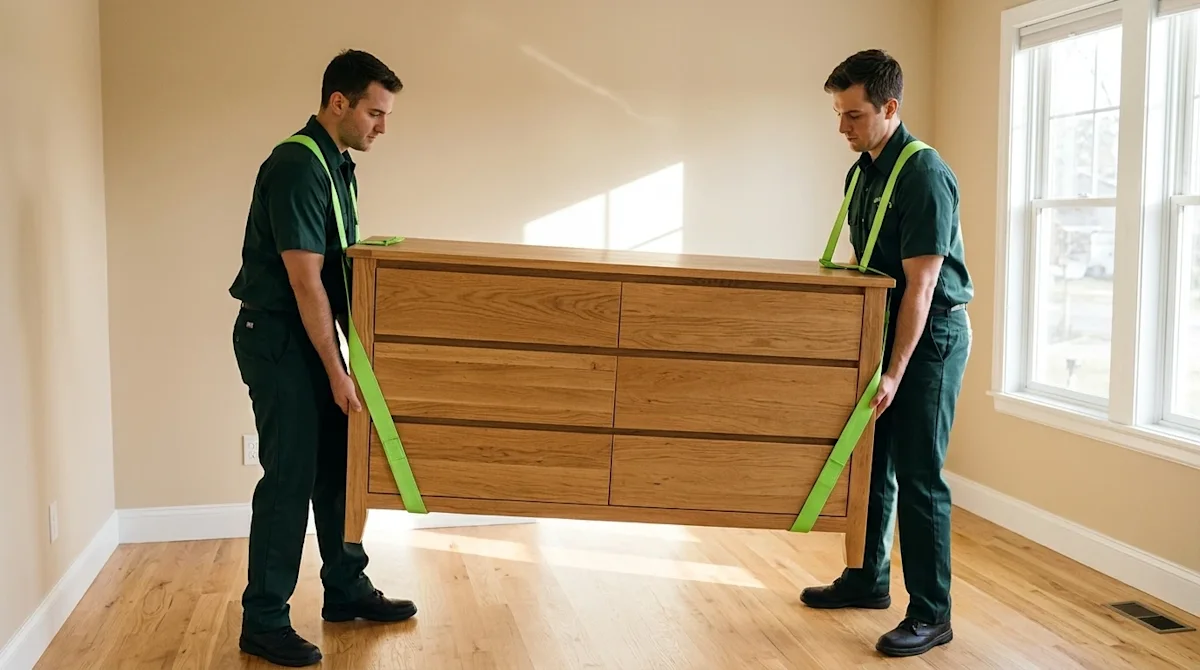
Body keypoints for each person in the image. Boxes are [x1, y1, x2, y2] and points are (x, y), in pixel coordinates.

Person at [228, 49, 416, 667]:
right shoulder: (296, 166)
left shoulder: (337, 163)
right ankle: (264, 620)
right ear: (339, 102)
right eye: (374, 112)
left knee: (339, 467)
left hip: (311, 337)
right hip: (281, 338)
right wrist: (337, 371)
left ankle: (345, 587)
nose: (381, 127)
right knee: (289, 480)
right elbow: (307, 283)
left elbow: (340, 267)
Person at [799, 49, 973, 658]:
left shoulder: (924, 175)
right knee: (871, 463)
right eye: (839, 114)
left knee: (920, 477)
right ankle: (867, 579)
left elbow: (921, 287)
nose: (842, 127)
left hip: (930, 339)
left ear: (889, 108)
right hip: (884, 328)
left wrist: (894, 373)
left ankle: (932, 614)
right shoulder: (863, 171)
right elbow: (865, 268)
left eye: (852, 115)